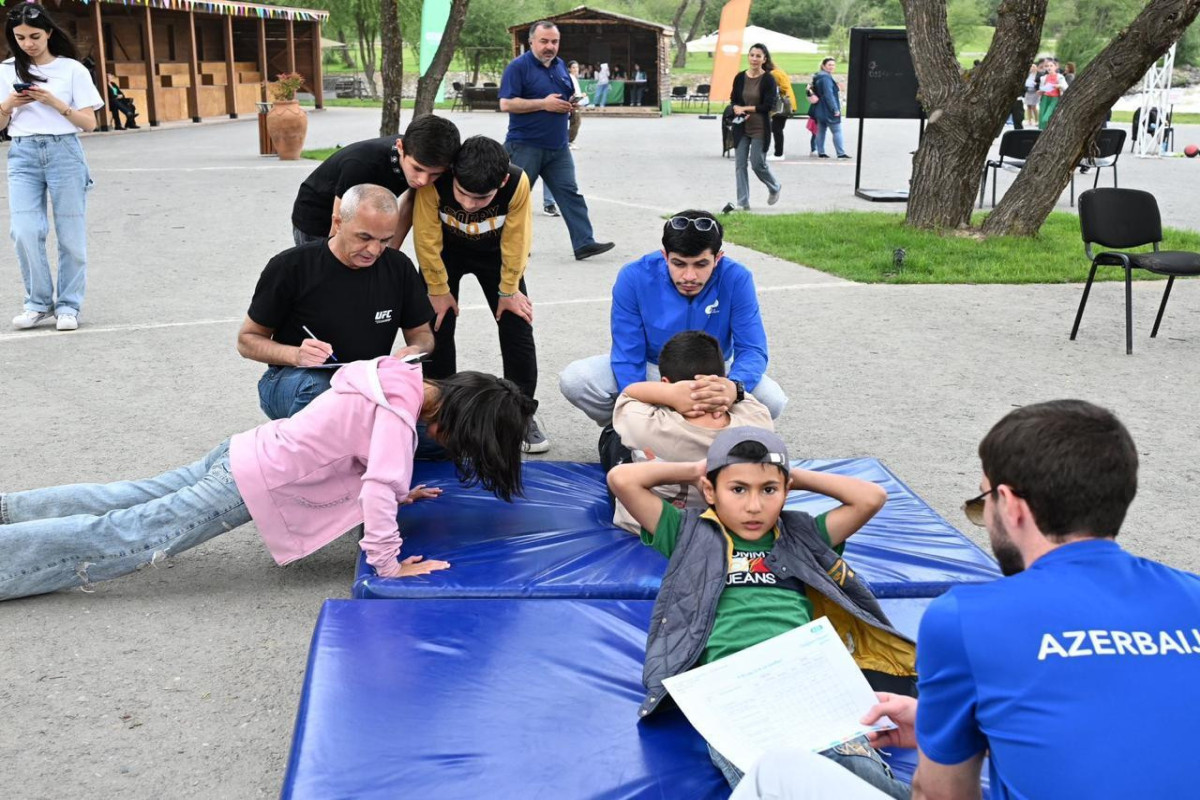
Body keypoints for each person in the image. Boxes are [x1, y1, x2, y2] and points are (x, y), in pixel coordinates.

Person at [735, 399, 1200, 799]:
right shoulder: (1191, 596)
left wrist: (954, 742)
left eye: (981, 503)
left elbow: (939, 793)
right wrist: (948, 727)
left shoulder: (969, 618)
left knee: (774, 772)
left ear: (1011, 504)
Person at [0, 361, 536, 601]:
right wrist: (388, 563)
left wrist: (402, 489)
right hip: (251, 481)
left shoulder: (397, 379)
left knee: (125, 498)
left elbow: (358, 451)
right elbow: (374, 486)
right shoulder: (400, 422)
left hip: (244, 449)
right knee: (129, 535)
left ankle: (9, 510)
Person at [608, 426, 913, 797]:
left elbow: (871, 497)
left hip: (808, 679)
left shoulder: (804, 535)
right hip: (730, 691)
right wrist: (697, 469)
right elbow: (622, 479)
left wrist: (791, 476)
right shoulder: (688, 533)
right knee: (765, 776)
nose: (754, 506)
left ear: (785, 492)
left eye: (768, 491)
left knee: (855, 768)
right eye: (738, 489)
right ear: (710, 491)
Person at [559, 211, 788, 428]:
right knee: (576, 380)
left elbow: (752, 349)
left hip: (715, 374)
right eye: (678, 264)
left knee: (772, 401)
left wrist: (733, 386)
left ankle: (713, 429)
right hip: (654, 370)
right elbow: (628, 353)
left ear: (718, 258)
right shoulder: (634, 276)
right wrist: (643, 404)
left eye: (701, 264)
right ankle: (623, 427)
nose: (689, 276)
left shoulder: (737, 277)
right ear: (665, 256)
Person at [238, 184, 436, 423]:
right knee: (324, 393)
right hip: (294, 378)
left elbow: (423, 336)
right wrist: (296, 355)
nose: (374, 250)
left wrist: (413, 351)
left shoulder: (398, 267)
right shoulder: (291, 267)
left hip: (366, 384)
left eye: (385, 240)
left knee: (439, 426)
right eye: (364, 237)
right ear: (338, 223)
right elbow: (246, 341)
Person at [413, 135, 550, 454]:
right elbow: (425, 236)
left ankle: (519, 414)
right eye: (462, 193)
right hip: (444, 254)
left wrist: (509, 289)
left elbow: (518, 239)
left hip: (496, 256)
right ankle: (441, 412)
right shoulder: (438, 178)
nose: (468, 205)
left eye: (481, 198)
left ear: (501, 181)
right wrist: (437, 288)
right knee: (436, 328)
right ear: (453, 174)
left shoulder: (516, 181)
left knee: (518, 326)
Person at [2, 3, 104, 332]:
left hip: (64, 152)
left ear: (48, 32)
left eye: (34, 36)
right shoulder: (6, 70)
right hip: (23, 153)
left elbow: (89, 123)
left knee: (71, 237)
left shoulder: (72, 70)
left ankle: (68, 306)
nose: (28, 43)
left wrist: (55, 103)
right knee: (25, 231)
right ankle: (38, 303)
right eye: (20, 37)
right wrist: (8, 105)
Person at [609, 330, 773, 533]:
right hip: (723, 526)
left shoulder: (646, 424)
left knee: (615, 438)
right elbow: (744, 397)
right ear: (721, 381)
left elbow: (629, 394)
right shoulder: (756, 422)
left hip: (648, 526)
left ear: (665, 384)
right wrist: (732, 389)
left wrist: (668, 395)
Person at [499, 20, 614, 261]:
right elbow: (506, 103)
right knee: (515, 198)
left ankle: (584, 243)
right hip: (525, 145)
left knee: (570, 194)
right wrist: (543, 103)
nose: (549, 46)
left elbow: (558, 98)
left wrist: (568, 104)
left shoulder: (560, 65)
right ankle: (510, 246)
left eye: (554, 41)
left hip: (558, 148)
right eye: (544, 41)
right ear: (531, 42)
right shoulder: (518, 67)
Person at [289, 115, 460, 247]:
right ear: (400, 147)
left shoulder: (424, 156)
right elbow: (340, 222)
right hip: (317, 216)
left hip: (359, 212)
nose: (424, 180)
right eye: (417, 168)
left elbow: (409, 201)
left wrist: (390, 254)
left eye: (434, 174)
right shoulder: (362, 165)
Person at [724, 43, 781, 212]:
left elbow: (767, 106)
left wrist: (745, 108)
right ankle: (743, 203)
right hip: (741, 127)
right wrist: (736, 108)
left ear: (764, 59)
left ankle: (774, 187)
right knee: (740, 164)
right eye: (752, 55)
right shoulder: (740, 77)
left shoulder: (769, 79)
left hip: (760, 127)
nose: (754, 59)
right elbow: (733, 98)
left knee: (757, 163)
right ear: (748, 57)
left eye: (758, 56)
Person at [542, 60, 585, 216]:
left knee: (560, 172)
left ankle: (551, 203)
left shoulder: (567, 81)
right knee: (524, 174)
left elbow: (569, 98)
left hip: (558, 134)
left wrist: (571, 103)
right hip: (538, 133)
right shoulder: (540, 82)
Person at [812, 56, 850, 159]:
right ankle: (840, 153)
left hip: (819, 107)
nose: (832, 67)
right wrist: (835, 109)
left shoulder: (817, 76)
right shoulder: (826, 78)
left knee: (821, 130)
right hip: (828, 108)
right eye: (829, 65)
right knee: (837, 130)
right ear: (824, 66)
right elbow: (829, 95)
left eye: (833, 65)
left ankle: (821, 152)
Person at [767, 57, 796, 161]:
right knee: (777, 128)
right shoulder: (778, 71)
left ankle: (778, 154)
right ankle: (778, 153)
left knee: (777, 129)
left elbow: (782, 87)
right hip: (787, 103)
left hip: (782, 105)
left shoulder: (774, 74)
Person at [1038, 58, 1064, 128]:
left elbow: (1065, 87)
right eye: (1047, 66)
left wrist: (1058, 85)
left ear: (1056, 67)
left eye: (1051, 66)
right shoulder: (1043, 77)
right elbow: (1042, 88)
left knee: (1046, 117)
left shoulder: (1060, 77)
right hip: (1045, 98)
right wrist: (1040, 91)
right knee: (1041, 116)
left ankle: (1049, 130)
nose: (1049, 67)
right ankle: (1040, 133)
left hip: (1054, 98)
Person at [1023, 62, 1040, 127]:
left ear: (1036, 68)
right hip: (1028, 91)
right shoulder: (1028, 74)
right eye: (1031, 67)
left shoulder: (1038, 75)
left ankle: (1036, 120)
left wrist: (1036, 84)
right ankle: (1029, 120)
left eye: (1033, 67)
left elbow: (1040, 83)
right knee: (1028, 106)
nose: (1032, 68)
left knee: (1034, 106)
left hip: (1035, 92)